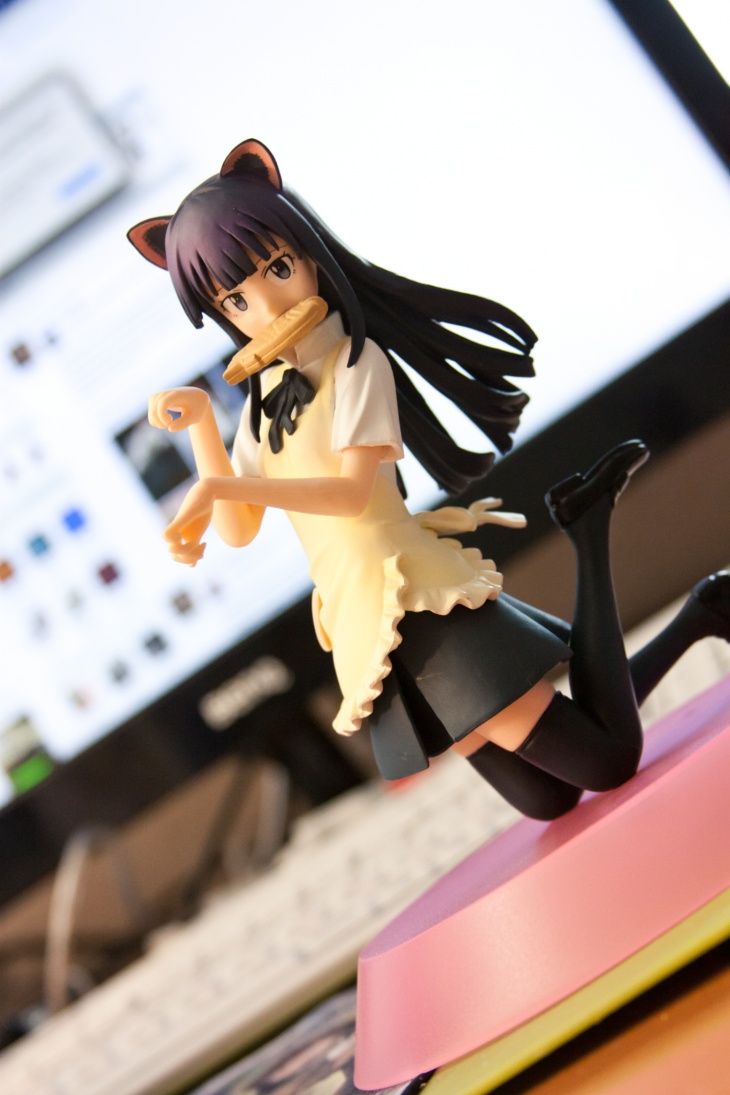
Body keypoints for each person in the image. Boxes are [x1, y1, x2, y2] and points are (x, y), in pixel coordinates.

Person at [128, 139, 730, 820]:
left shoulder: (357, 366)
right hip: (360, 616)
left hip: (411, 595)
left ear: (311, 253)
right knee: (547, 797)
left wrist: (226, 488)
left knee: (606, 759)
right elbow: (238, 530)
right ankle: (696, 603)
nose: (265, 309)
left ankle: (611, 550)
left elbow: (351, 494)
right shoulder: (262, 400)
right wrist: (202, 428)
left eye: (280, 269)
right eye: (236, 300)